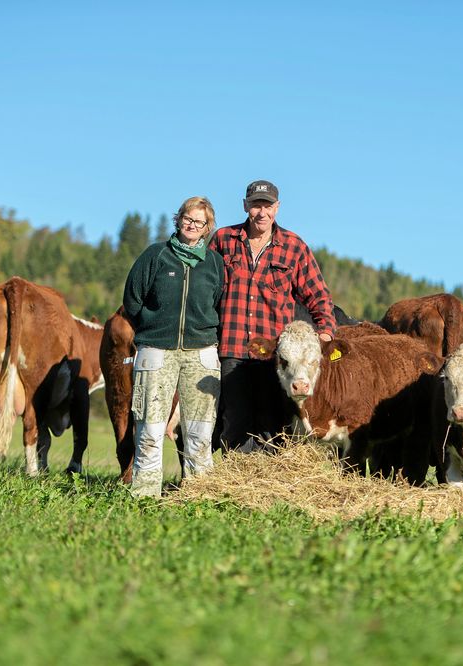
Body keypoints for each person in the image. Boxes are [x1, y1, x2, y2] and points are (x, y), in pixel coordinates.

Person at [209, 179, 336, 452]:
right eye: (256, 205)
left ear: (277, 208)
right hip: (232, 349)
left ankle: (269, 486)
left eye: (267, 206)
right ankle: (238, 483)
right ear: (245, 206)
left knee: (273, 423)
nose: (261, 212)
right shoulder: (223, 240)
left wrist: (325, 330)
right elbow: (205, 291)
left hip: (276, 357)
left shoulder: (294, 246)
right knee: (234, 420)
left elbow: (318, 296)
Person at [122, 196, 224, 497]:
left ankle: (198, 496)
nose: (192, 225)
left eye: (199, 222)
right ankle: (145, 494)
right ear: (178, 219)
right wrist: (153, 328)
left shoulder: (214, 264)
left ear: (207, 228)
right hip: (157, 350)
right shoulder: (156, 255)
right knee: (151, 428)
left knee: (200, 431)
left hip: (200, 353)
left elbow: (217, 301)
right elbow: (132, 300)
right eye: (187, 218)